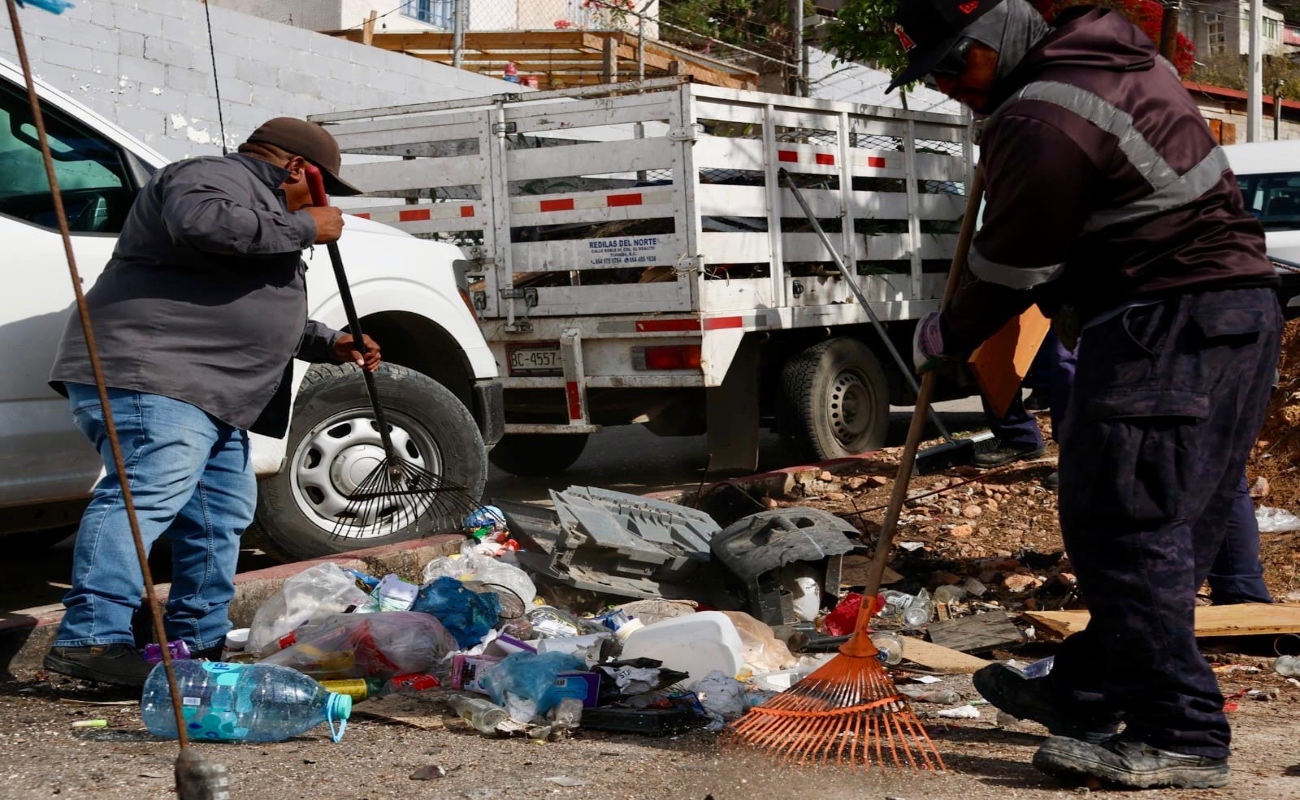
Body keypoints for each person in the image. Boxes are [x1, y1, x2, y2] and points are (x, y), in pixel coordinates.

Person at [896, 0, 1282, 790]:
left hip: (1162, 323)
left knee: (1126, 528)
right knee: (1175, 525)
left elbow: (1010, 269)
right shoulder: (1115, 66)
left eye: (954, 63)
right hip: (1232, 315)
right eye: (931, 74)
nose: (947, 85)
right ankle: (1087, 688)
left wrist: (949, 331)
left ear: (999, 34)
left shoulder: (1043, 114)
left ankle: (1179, 731)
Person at [43, 118, 382, 687]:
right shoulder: (209, 176)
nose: (326, 206)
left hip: (215, 393)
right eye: (323, 189)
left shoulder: (263, 212)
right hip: (158, 374)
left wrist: (328, 341)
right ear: (299, 169)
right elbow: (203, 224)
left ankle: (196, 643)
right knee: (143, 497)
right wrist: (302, 225)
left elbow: (241, 303)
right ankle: (91, 640)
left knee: (220, 516)